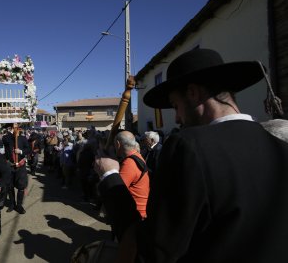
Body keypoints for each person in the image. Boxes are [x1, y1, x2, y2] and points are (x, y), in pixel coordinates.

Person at [94, 48, 288, 262]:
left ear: (193, 93)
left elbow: (152, 252)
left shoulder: (187, 147)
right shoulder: (281, 147)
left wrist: (110, 176)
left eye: (176, 106)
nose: (177, 118)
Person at [114, 130, 149, 221]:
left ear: (118, 144)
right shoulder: (137, 155)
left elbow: (116, 190)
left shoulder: (129, 163)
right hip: (140, 211)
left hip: (135, 214)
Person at [2, 123, 30, 214]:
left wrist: (20, 151)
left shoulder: (23, 138)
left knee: (21, 186)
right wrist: (11, 133)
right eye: (12, 127)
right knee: (10, 186)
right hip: (10, 165)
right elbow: (6, 140)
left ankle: (19, 205)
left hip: (20, 165)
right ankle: (12, 204)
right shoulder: (7, 138)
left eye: (15, 127)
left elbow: (28, 149)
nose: (14, 129)